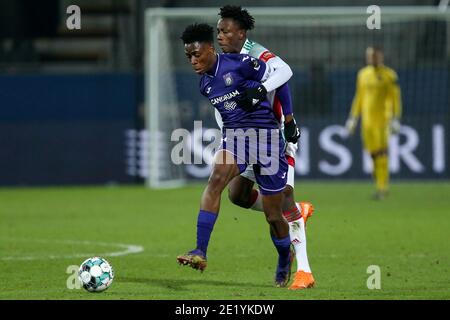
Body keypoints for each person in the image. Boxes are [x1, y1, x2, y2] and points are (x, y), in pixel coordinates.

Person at [177, 23, 292, 287]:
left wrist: (288, 118)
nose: (193, 61)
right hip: (237, 139)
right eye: (188, 57)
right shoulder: (204, 84)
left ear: (209, 48)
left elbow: (281, 78)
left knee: (274, 216)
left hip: (267, 140)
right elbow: (225, 111)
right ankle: (199, 250)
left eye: (196, 54)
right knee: (216, 180)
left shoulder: (241, 64)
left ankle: (286, 257)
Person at [215, 5, 315, 289]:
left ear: (241, 32)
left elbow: (283, 73)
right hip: (245, 135)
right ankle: (296, 210)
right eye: (218, 30)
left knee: (282, 203)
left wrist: (290, 119)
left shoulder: (254, 51)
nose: (219, 35)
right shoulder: (224, 60)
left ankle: (304, 271)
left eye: (225, 30)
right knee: (237, 194)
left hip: (273, 133)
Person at [345, 46, 402, 200]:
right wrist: (353, 118)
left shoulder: (390, 75)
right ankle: (380, 183)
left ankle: (382, 188)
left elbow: (395, 98)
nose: (372, 59)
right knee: (373, 154)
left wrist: (396, 118)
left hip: (384, 120)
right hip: (367, 122)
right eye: (370, 56)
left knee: (381, 152)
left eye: (375, 56)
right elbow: (359, 97)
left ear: (381, 57)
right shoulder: (363, 74)